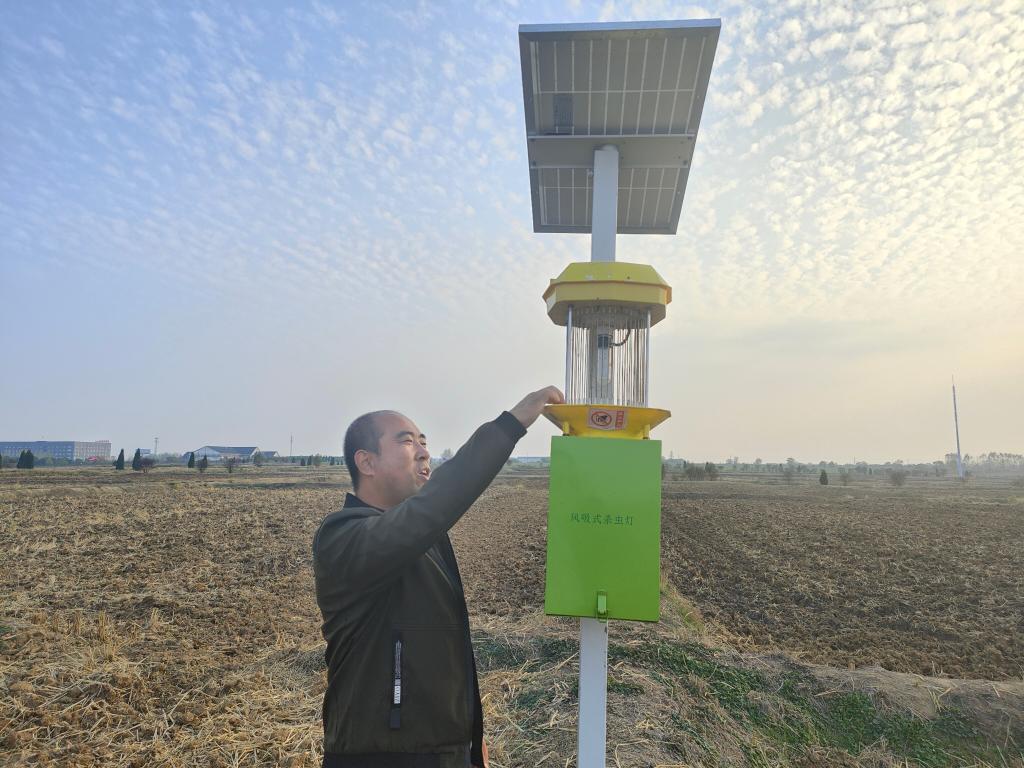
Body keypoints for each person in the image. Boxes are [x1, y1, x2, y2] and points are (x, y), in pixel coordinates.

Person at [313, 386, 565, 768]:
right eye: (407, 441)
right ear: (367, 462)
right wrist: (510, 425)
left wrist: (469, 740)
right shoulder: (344, 538)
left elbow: (444, 650)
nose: (424, 452)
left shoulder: (425, 540)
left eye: (424, 441)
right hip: (380, 757)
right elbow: (433, 506)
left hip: (443, 752)